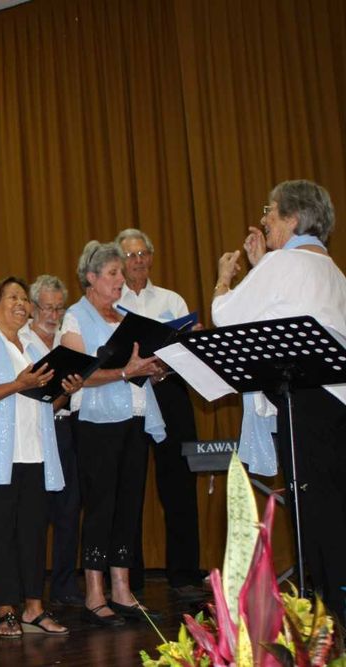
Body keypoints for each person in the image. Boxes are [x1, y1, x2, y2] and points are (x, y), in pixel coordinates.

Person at [213, 179, 346, 620]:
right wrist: (262, 266)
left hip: (305, 402)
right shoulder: (332, 271)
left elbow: (228, 316)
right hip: (337, 401)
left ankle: (322, 615)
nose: (264, 218)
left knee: (314, 513)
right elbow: (276, 310)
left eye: (270, 210)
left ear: (292, 218)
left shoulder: (281, 264)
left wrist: (224, 279)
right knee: (335, 508)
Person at [0, 276, 82, 638]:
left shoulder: (33, 347)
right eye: (13, 297)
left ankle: (34, 608)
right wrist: (17, 384)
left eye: (25, 299)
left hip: (33, 451)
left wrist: (65, 392)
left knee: (32, 531)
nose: (22, 304)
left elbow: (42, 404)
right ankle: (5, 609)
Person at [61, 242, 167, 626]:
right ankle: (94, 593)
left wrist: (155, 369)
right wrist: (126, 372)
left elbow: (142, 365)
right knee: (101, 506)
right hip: (96, 424)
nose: (121, 280)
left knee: (129, 504)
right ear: (91, 278)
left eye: (121, 273)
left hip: (135, 418)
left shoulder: (126, 316)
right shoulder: (74, 318)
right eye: (113, 274)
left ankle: (122, 589)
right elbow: (76, 376)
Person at [114, 228, 202, 595]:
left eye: (142, 253)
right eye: (130, 255)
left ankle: (183, 574)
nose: (137, 261)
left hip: (169, 391)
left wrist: (178, 354)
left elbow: (189, 350)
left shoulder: (171, 299)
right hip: (129, 394)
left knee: (179, 484)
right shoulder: (111, 301)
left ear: (151, 257)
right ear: (119, 261)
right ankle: (128, 578)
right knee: (128, 485)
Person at [18, 274, 84, 606]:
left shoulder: (68, 340)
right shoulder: (20, 340)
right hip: (30, 431)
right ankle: (28, 590)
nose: (53, 315)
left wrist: (70, 390)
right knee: (34, 512)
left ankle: (64, 585)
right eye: (47, 307)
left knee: (68, 509)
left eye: (59, 308)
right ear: (32, 307)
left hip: (63, 427)